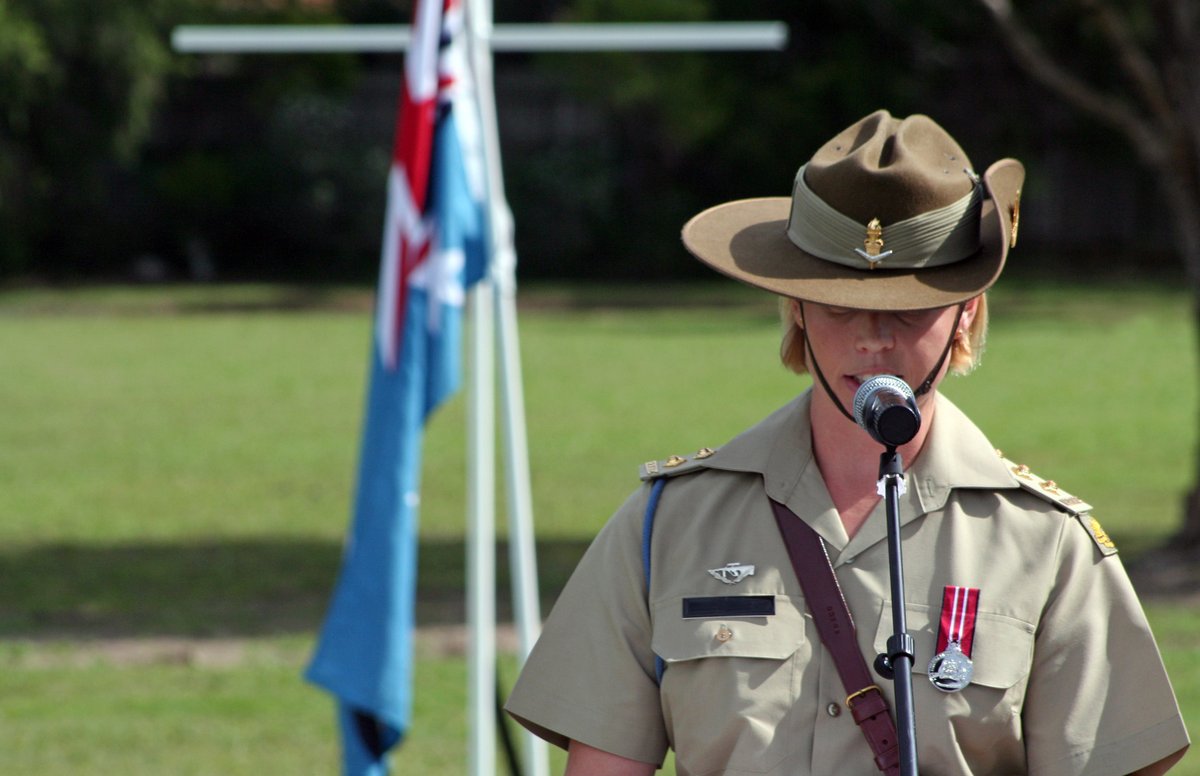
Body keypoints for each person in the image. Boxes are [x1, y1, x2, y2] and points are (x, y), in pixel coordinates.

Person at [504, 110, 1190, 775]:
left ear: (966, 315)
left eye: (910, 306)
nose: (873, 336)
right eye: (838, 303)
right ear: (795, 307)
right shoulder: (668, 525)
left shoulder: (1046, 544)